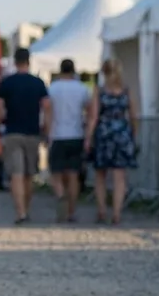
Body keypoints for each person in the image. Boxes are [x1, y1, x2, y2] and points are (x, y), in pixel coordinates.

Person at [0, 48, 51, 224]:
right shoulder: (38, 83)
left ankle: (20, 212)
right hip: (33, 132)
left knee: (16, 174)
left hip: (12, 131)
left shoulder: (7, 83)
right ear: (29, 61)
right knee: (29, 174)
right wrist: (46, 129)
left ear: (14, 61)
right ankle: (26, 207)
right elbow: (47, 107)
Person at [87, 58, 138, 224]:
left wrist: (88, 137)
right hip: (122, 133)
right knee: (119, 176)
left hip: (104, 133)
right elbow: (133, 115)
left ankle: (102, 210)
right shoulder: (125, 91)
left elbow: (94, 116)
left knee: (100, 175)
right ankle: (117, 213)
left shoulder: (100, 91)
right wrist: (133, 134)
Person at [47, 59, 92, 222]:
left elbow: (48, 111)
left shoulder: (52, 88)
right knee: (74, 175)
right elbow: (90, 110)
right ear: (74, 71)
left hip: (57, 134)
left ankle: (60, 195)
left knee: (56, 173)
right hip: (76, 134)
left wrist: (47, 132)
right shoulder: (82, 89)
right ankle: (71, 211)